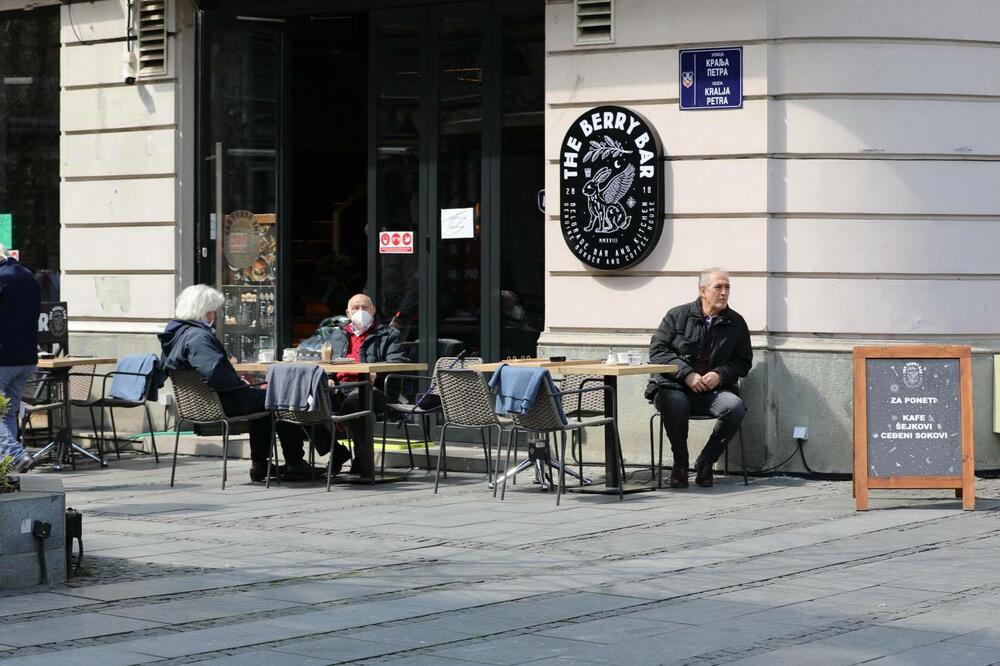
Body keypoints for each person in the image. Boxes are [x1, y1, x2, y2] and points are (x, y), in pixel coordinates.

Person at [159, 285, 345, 482]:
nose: (214, 315)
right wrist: (239, 383)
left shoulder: (176, 336)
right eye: (213, 310)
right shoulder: (198, 337)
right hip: (224, 401)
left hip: (203, 403)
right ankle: (300, 461)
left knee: (269, 400)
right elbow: (215, 375)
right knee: (283, 398)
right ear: (205, 311)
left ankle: (262, 464)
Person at [646, 268, 751, 488]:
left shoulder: (736, 322)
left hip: (711, 391)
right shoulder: (677, 315)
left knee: (735, 407)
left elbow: (743, 362)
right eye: (718, 287)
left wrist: (720, 375)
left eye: (727, 287)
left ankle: (705, 462)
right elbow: (658, 351)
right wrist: (687, 374)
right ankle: (680, 464)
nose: (724, 293)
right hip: (673, 386)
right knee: (673, 402)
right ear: (702, 290)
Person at [327, 293, 408, 477]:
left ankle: (363, 463)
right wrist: (329, 377)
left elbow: (398, 361)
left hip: (374, 389)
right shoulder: (338, 334)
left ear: (373, 310)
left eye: (365, 307)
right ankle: (338, 454)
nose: (360, 311)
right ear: (348, 313)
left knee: (359, 399)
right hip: (338, 388)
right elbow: (327, 361)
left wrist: (377, 372)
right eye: (355, 308)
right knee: (302, 400)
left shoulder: (388, 335)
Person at [0, 243, 41, 473]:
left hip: (3, 358)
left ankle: (16, 456)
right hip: (26, 358)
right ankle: (5, 468)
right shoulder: (27, 275)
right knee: (6, 414)